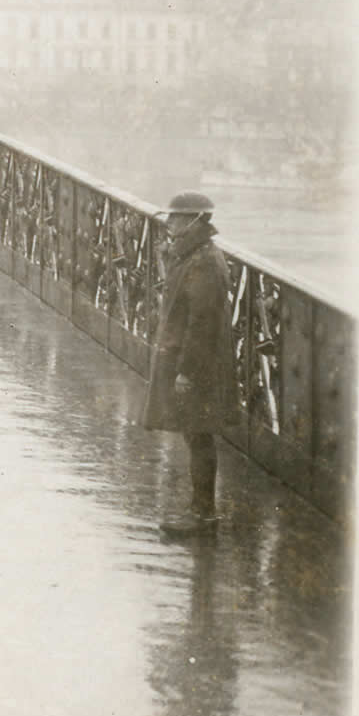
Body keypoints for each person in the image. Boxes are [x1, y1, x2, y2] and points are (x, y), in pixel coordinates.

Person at [145, 193, 238, 536]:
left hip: (200, 365)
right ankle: (201, 512)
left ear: (195, 222)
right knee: (194, 433)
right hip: (197, 361)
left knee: (199, 435)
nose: (170, 224)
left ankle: (204, 517)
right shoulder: (193, 255)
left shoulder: (204, 262)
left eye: (176, 219)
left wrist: (186, 370)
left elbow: (202, 323)